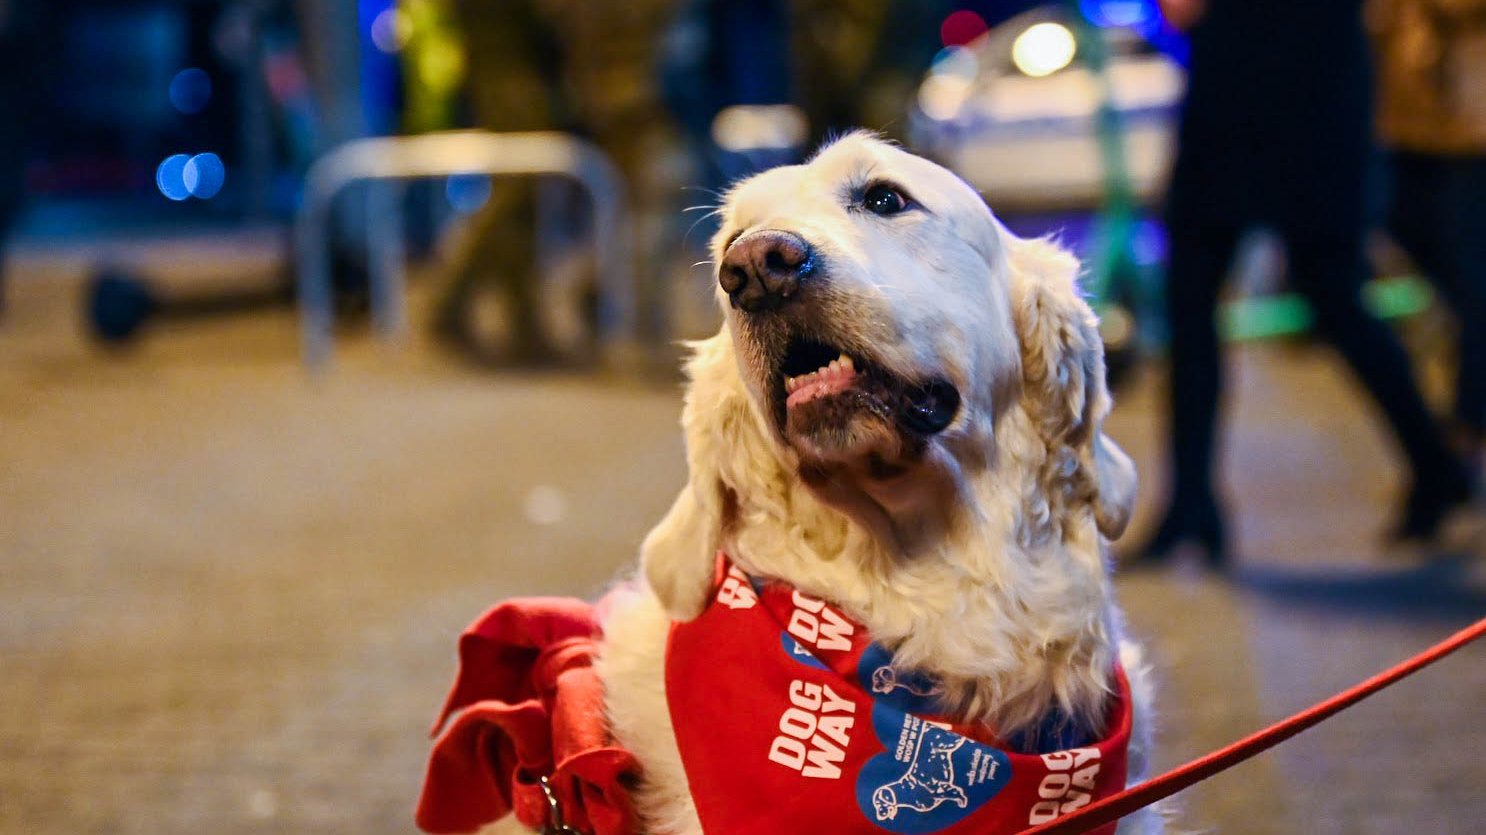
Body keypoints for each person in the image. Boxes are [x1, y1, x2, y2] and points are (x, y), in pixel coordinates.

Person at [1132, 0, 1475, 568]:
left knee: (1228, 298)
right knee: (1323, 295)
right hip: (1303, 84)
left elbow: (1180, 11)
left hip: (1268, 85)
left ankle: (1193, 506)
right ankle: (1434, 467)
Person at [1371, 0, 1486, 473]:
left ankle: (1471, 415)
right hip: (1406, 107)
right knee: (1414, 234)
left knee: (1466, 263)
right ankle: (1469, 407)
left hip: (1466, 106)